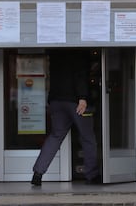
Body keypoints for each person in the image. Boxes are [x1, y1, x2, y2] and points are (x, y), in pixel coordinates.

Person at [31, 49, 101, 186]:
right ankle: (92, 175)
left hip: (56, 100)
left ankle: (38, 173)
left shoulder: (55, 51)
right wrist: (83, 97)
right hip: (75, 101)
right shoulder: (78, 51)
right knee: (87, 138)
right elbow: (80, 74)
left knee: (56, 136)